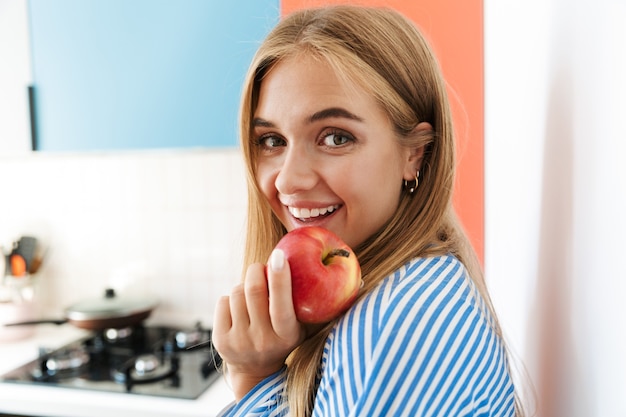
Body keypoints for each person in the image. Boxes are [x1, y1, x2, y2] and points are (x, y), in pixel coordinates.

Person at [212, 5, 524, 417]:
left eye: (336, 137)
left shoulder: (390, 324)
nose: (288, 181)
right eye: (272, 140)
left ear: (415, 154)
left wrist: (252, 378)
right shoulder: (412, 283)